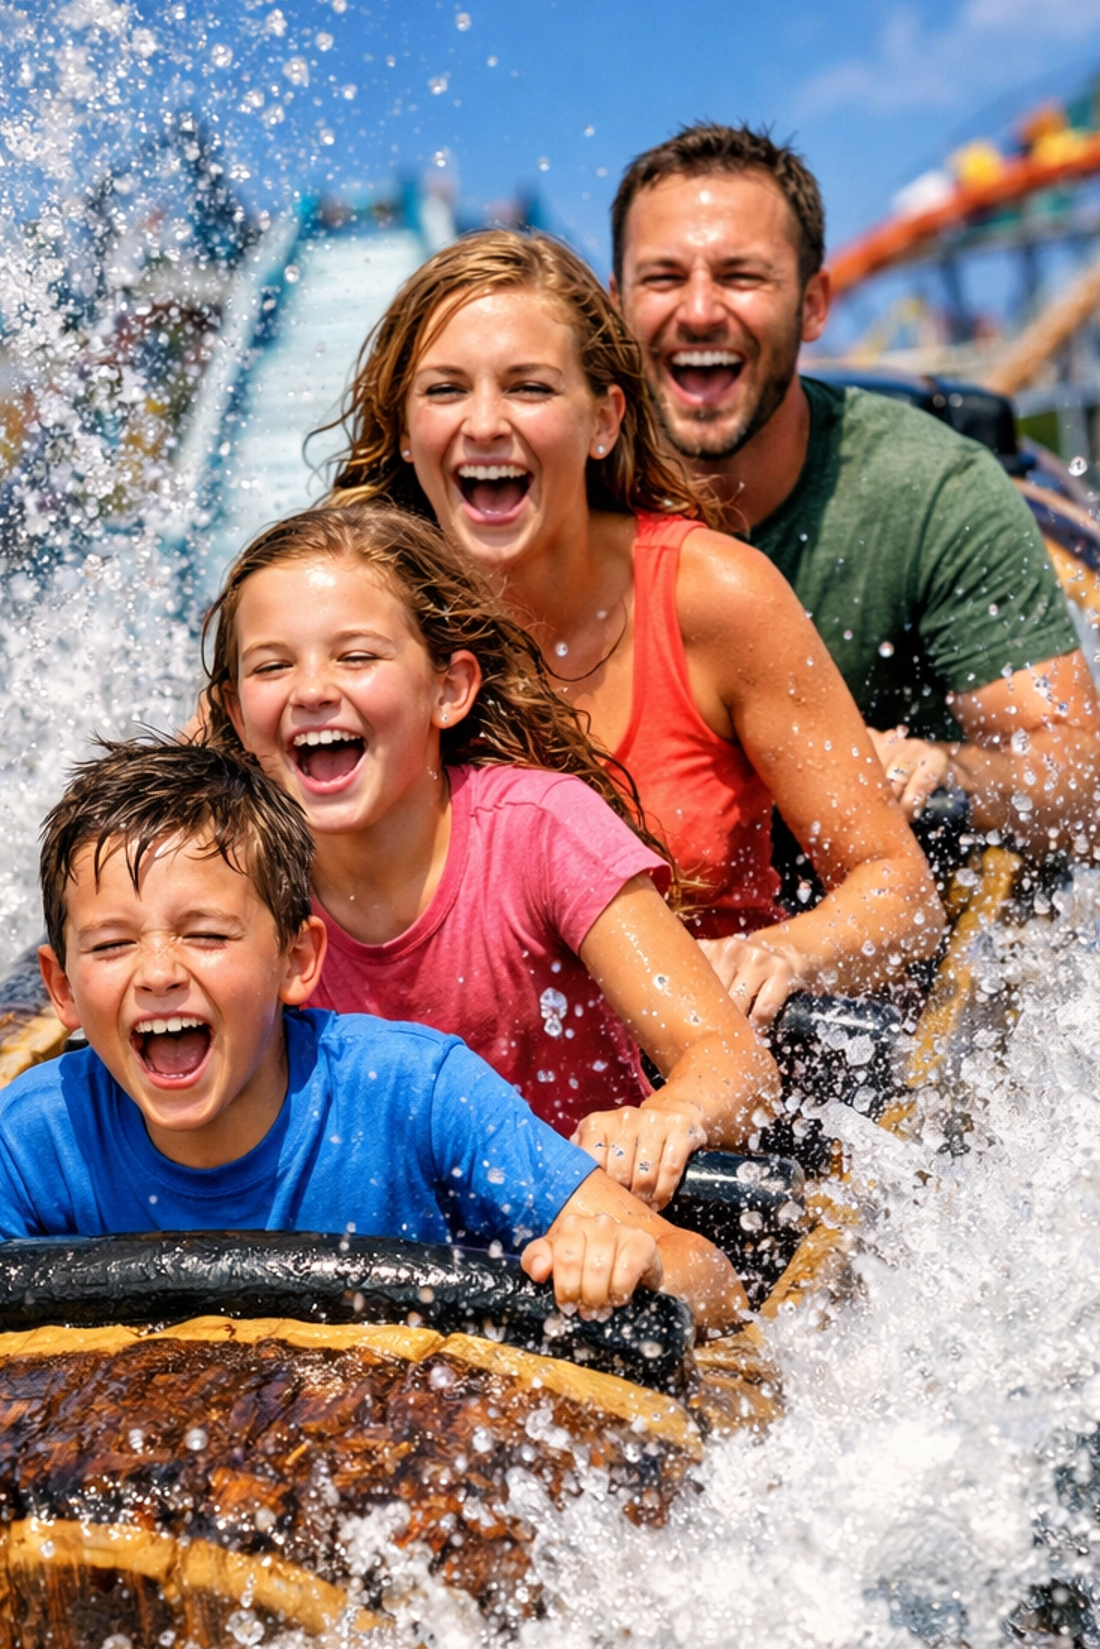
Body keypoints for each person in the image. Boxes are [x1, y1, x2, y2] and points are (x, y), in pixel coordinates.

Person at [322, 229, 945, 1031]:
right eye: (445, 391)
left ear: (604, 421)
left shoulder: (714, 598)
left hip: (690, 1085)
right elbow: (191, 840)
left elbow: (898, 893)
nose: (483, 424)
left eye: (529, 389)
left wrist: (783, 952)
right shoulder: (333, 620)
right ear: (404, 430)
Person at [0, 737, 745, 1333]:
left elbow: (709, 1280)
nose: (158, 972)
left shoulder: (413, 1095)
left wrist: (627, 1266)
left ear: (298, 959)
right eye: (111, 945)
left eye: (206, 934)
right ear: (61, 989)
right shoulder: (37, 1139)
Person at [200, 500, 779, 1208]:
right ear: (235, 714)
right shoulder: (228, 883)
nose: (313, 689)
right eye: (272, 666)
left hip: (589, 1248)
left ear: (449, 689)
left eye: (357, 656)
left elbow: (732, 1061)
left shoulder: (543, 831)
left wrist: (666, 1119)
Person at [608, 122, 1100, 858]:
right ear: (613, 302)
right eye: (662, 278)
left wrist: (947, 769)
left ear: (815, 304)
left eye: (741, 276)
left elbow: (1084, 781)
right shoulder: (563, 493)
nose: (697, 310)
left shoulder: (931, 491)